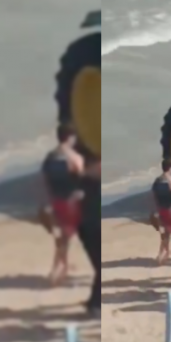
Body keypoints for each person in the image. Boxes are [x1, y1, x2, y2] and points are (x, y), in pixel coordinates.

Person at [40, 124, 85, 285]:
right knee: (66, 237)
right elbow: (80, 179)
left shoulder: (50, 156)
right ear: (70, 137)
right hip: (70, 202)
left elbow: (45, 180)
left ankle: (63, 265)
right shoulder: (74, 157)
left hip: (54, 200)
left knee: (62, 236)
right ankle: (57, 269)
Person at [77, 156, 101, 316]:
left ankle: (94, 301)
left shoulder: (80, 180)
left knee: (97, 266)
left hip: (83, 225)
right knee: (99, 266)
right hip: (92, 225)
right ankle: (95, 305)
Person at [151, 159, 171, 265]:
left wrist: (155, 208)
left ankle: (166, 252)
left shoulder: (157, 180)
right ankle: (161, 255)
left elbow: (154, 196)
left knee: (165, 233)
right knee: (167, 233)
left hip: (161, 209)